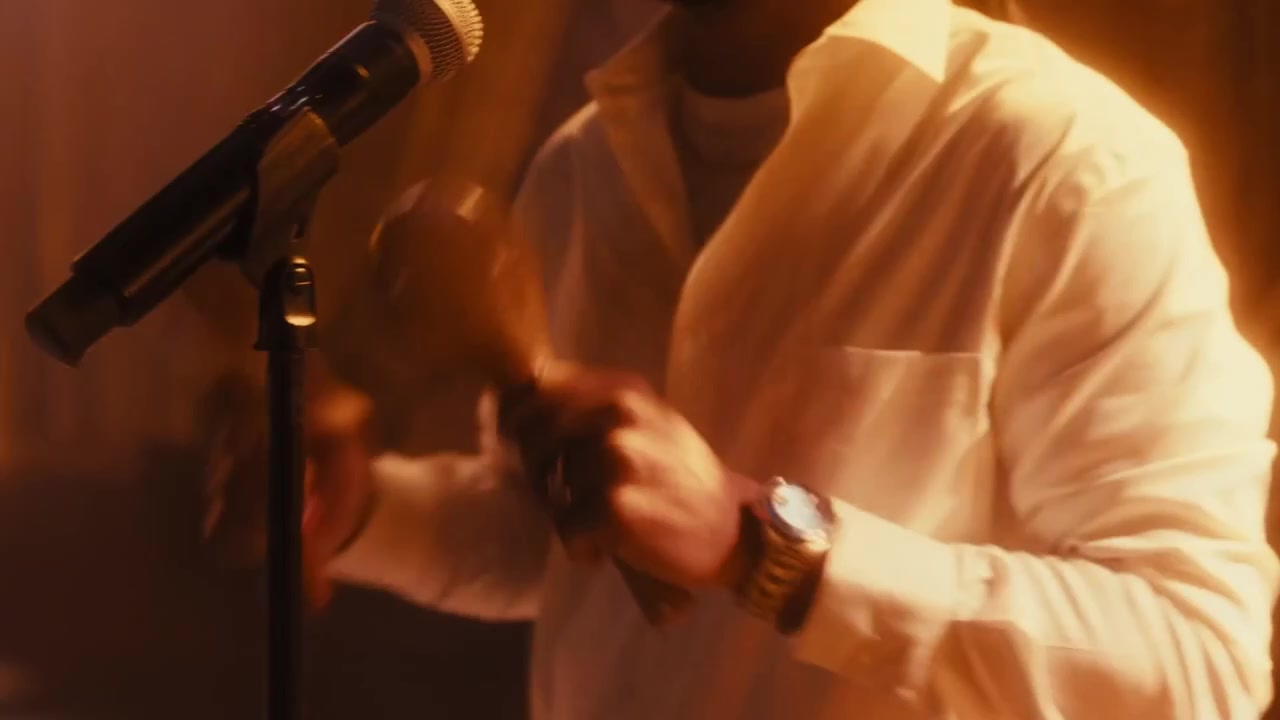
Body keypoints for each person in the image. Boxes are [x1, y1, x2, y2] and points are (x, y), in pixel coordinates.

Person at [261, 0, 1280, 717]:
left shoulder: (1063, 161)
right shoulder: (582, 165)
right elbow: (555, 547)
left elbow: (1195, 660)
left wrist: (761, 548)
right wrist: (359, 512)